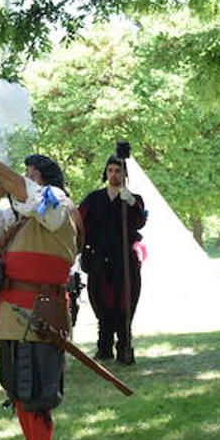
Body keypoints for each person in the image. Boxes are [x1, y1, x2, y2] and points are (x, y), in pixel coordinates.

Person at [0, 136, 77, 440]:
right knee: (18, 390)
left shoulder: (56, 202)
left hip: (42, 309)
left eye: (30, 175)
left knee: (38, 395)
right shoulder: (14, 213)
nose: (22, 180)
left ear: (44, 181)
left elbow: (30, 195)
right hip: (11, 310)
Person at [78, 155, 148, 363]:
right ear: (106, 172)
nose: (114, 174)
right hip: (100, 258)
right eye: (110, 170)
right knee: (102, 301)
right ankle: (104, 346)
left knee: (124, 301)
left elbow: (139, 222)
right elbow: (79, 221)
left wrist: (132, 203)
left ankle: (124, 345)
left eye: (118, 171)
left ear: (124, 173)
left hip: (124, 259)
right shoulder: (94, 198)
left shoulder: (132, 198)